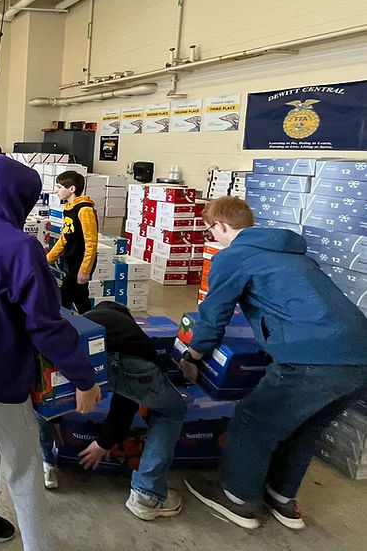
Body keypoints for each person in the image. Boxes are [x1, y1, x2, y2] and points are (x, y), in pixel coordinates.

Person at [179, 196, 367, 530]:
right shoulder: (292, 254)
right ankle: (282, 499)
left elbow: (214, 315)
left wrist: (193, 356)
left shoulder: (232, 257)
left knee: (253, 421)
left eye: (210, 231)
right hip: (359, 358)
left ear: (219, 225)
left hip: (312, 359)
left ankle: (238, 500)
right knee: (304, 429)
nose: (213, 238)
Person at [0, 155, 101, 547]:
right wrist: (84, 378)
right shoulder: (21, 247)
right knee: (26, 466)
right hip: (0, 372)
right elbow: (46, 324)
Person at [73, 300, 187, 519]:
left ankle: (47, 463)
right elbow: (127, 400)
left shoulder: (88, 321)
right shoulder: (129, 332)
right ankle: (147, 495)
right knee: (172, 411)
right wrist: (104, 442)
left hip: (81, 357)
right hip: (126, 363)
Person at [46, 171, 98, 314]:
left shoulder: (84, 210)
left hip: (82, 262)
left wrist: (85, 269)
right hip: (73, 260)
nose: (55, 190)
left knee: (64, 297)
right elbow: (64, 238)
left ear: (72, 189)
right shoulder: (68, 208)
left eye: (59, 187)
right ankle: (90, 321)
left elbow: (91, 242)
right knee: (80, 297)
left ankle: (63, 322)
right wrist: (48, 259)